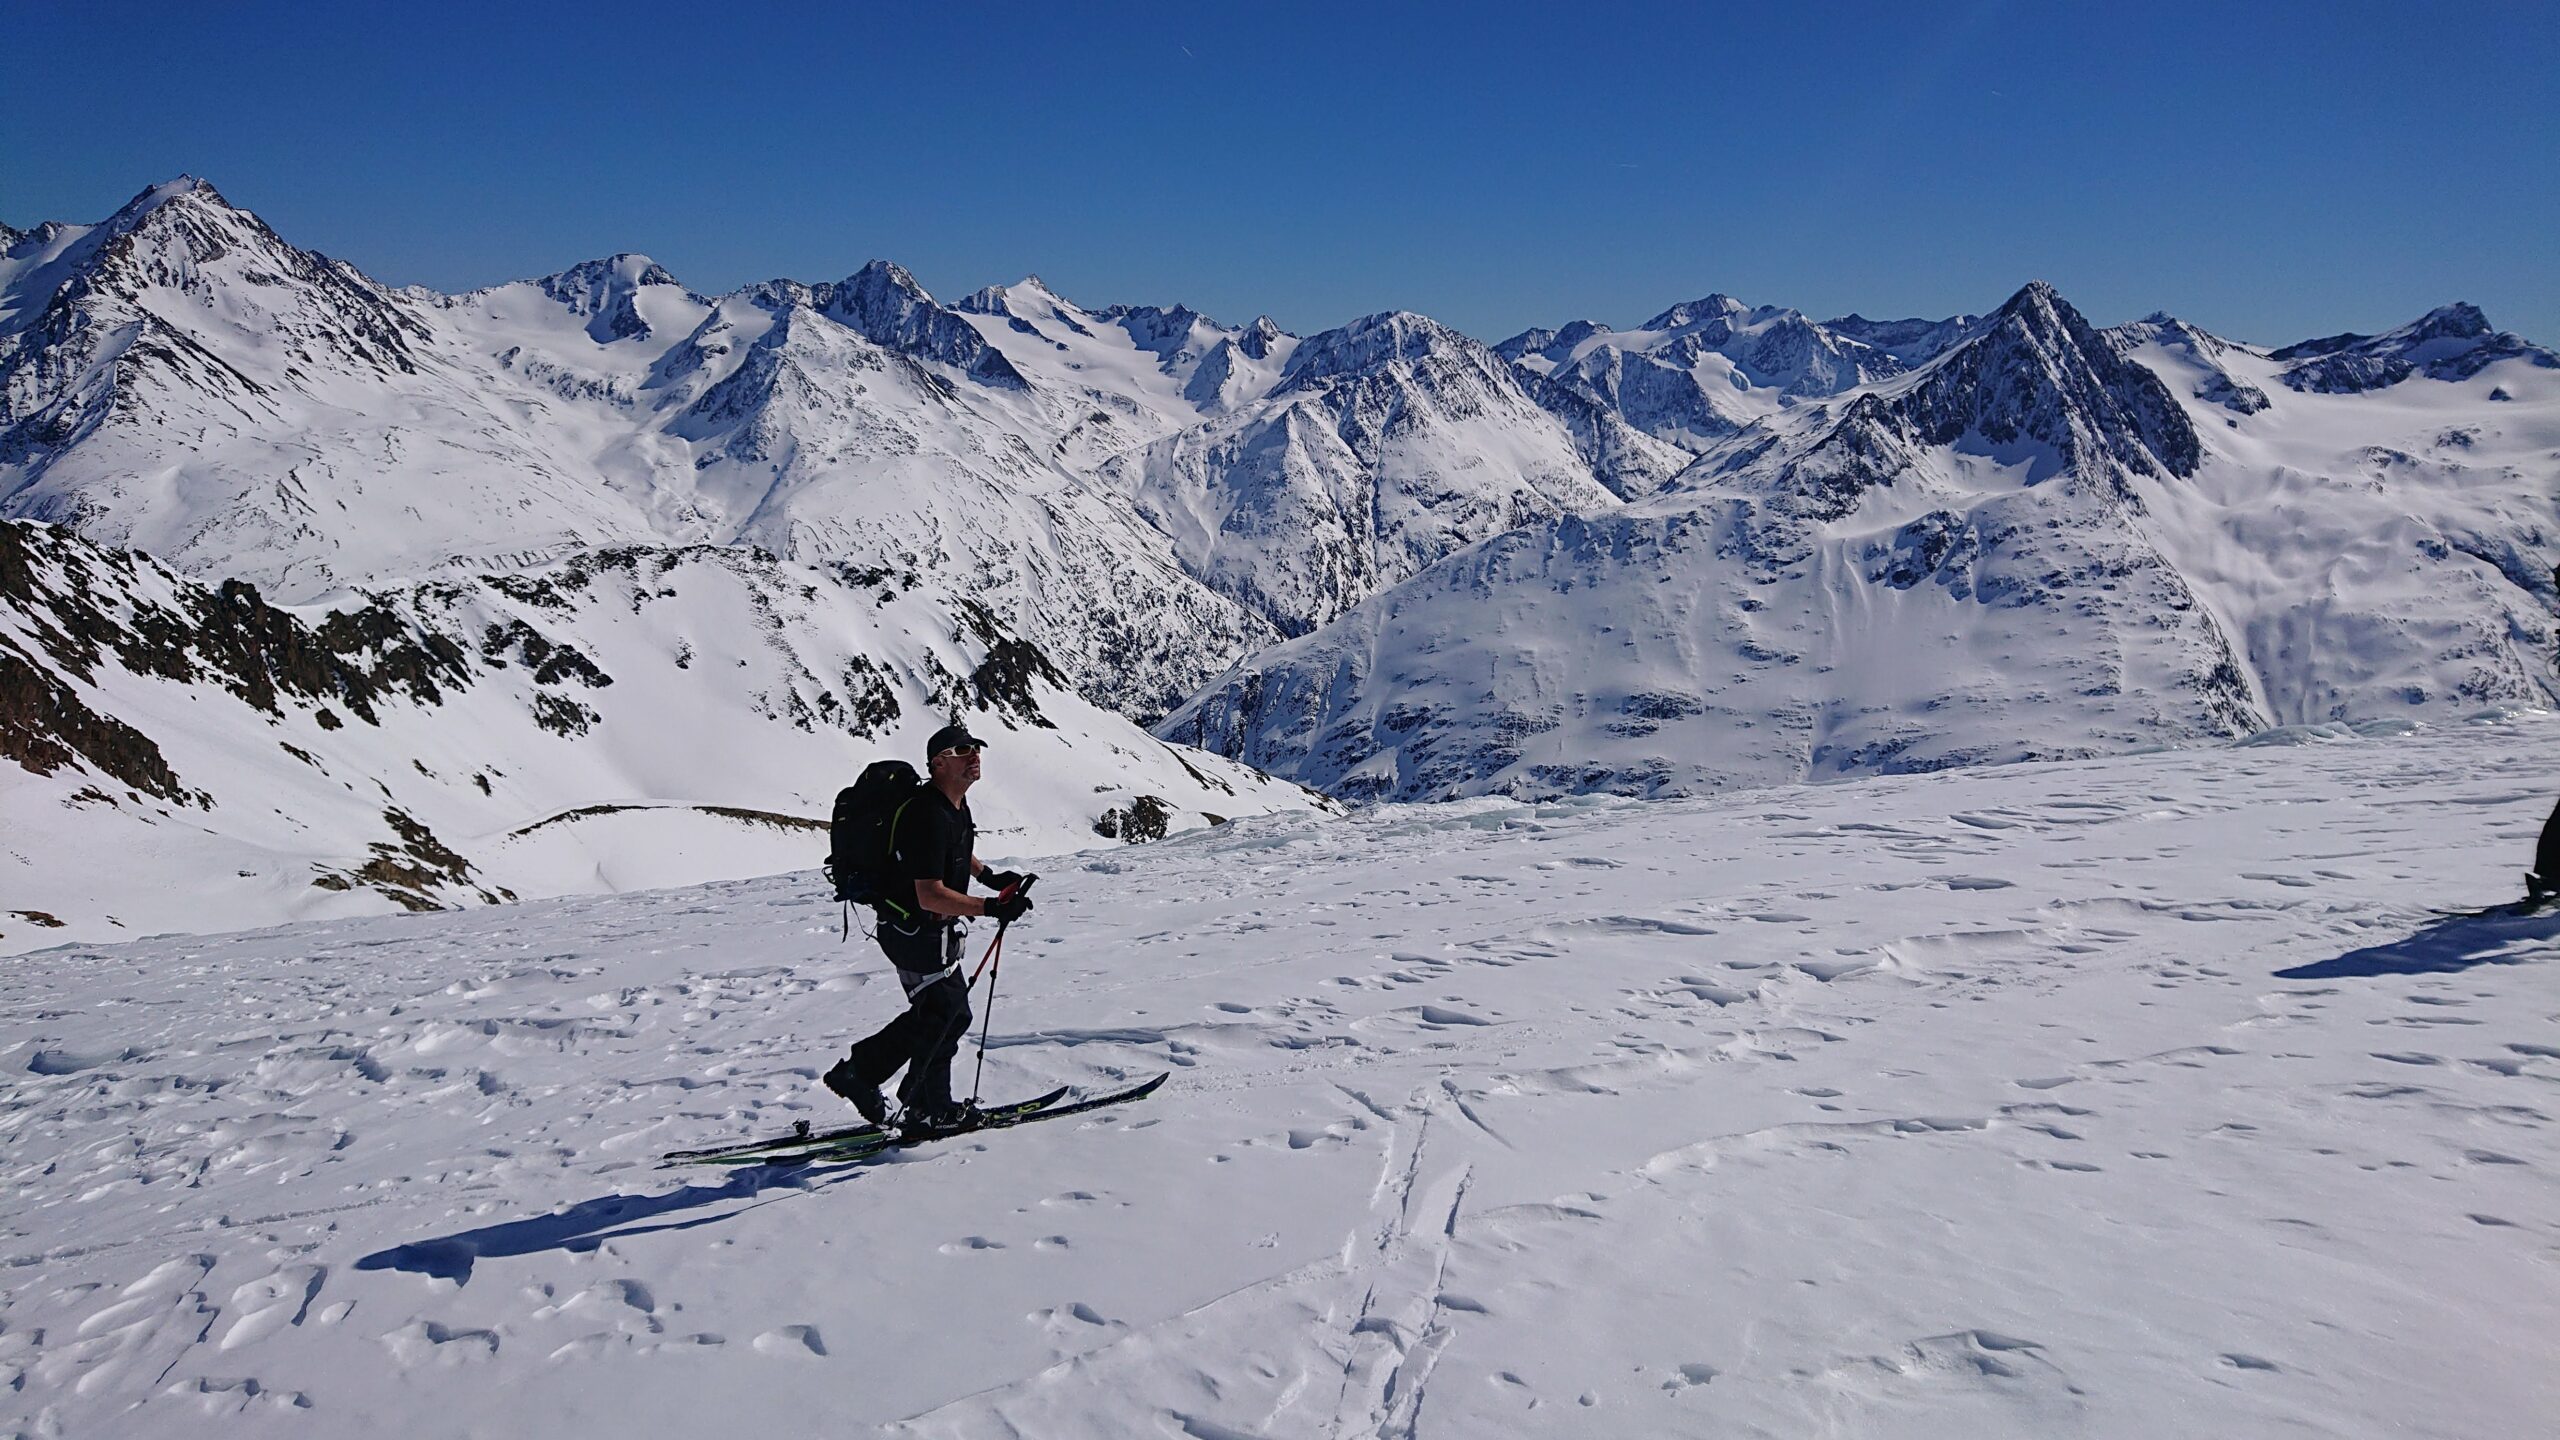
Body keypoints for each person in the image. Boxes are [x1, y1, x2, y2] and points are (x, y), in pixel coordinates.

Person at [825, 722, 1031, 1129]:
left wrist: (989, 877)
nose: (974, 756)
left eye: (976, 748)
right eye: (962, 751)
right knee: (945, 1013)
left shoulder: (953, 806)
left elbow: (958, 849)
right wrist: (990, 907)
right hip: (913, 932)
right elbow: (929, 893)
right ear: (938, 764)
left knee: (944, 1014)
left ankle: (913, 1096)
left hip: (928, 932)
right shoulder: (925, 815)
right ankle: (886, 1084)